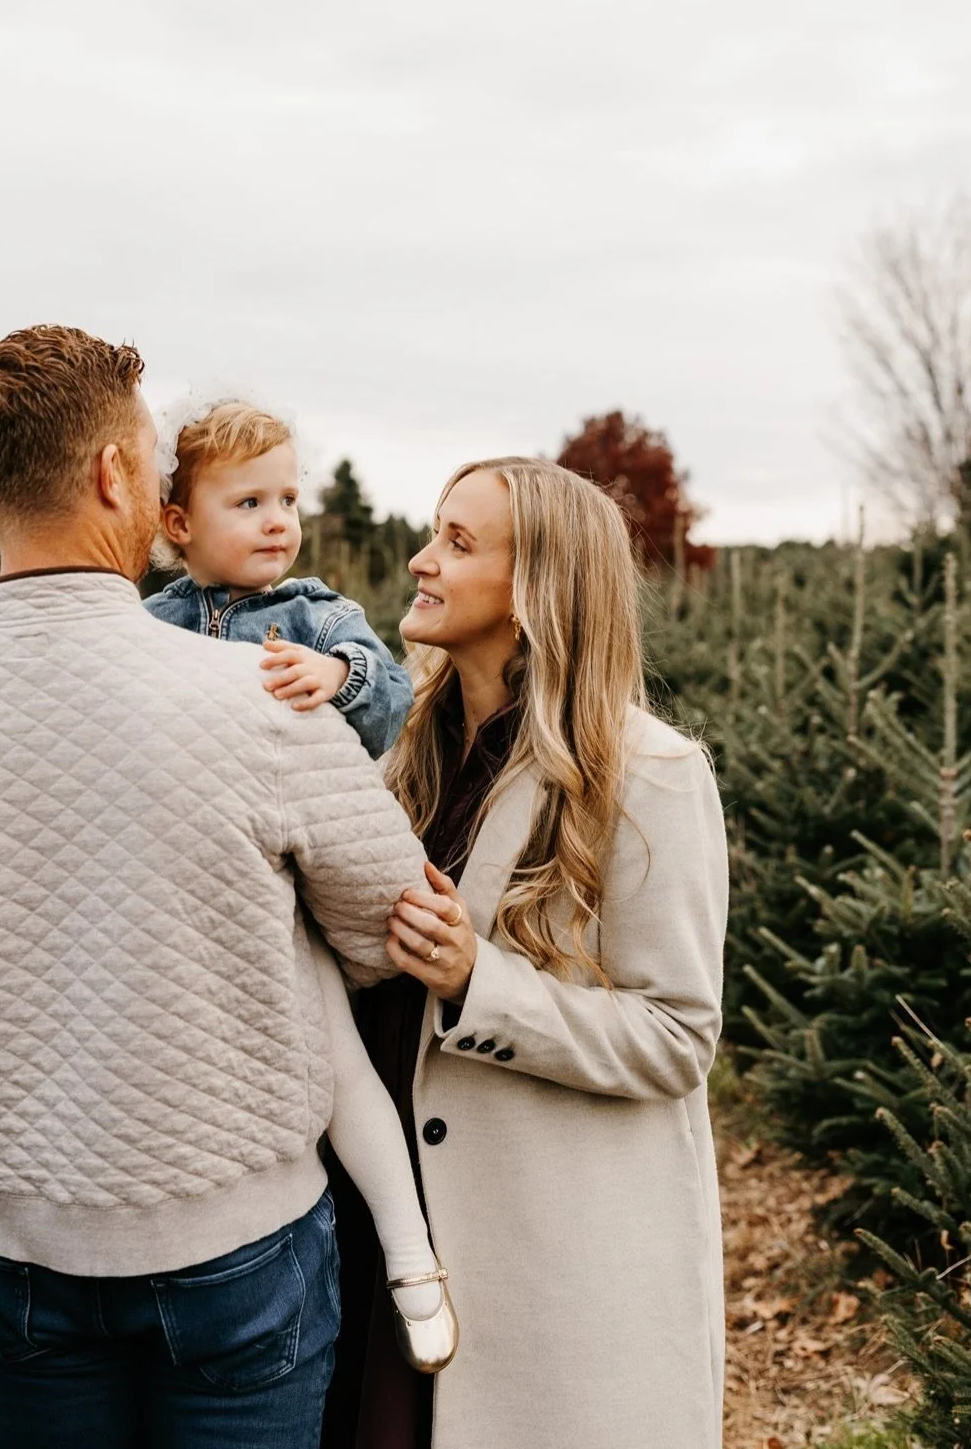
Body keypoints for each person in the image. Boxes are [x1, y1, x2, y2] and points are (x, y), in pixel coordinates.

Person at [0, 325, 429, 1449]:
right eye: (152, 460)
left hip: (26, 1255)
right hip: (241, 1248)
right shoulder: (260, 696)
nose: (159, 482)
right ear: (112, 475)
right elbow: (388, 925)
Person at [323, 456, 729, 1449]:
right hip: (376, 1223)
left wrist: (478, 984)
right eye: (433, 531)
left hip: (532, 1247)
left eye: (459, 543)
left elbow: (678, 1036)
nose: (422, 560)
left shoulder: (648, 774)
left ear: (537, 585)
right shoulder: (405, 758)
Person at [144, 396, 457, 1372]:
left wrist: (337, 674)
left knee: (338, 1071)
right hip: (185, 899)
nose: (279, 519)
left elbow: (392, 692)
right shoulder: (144, 622)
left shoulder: (316, 614)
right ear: (179, 523)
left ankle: (412, 1258)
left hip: (287, 897)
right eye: (247, 501)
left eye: (287, 496)